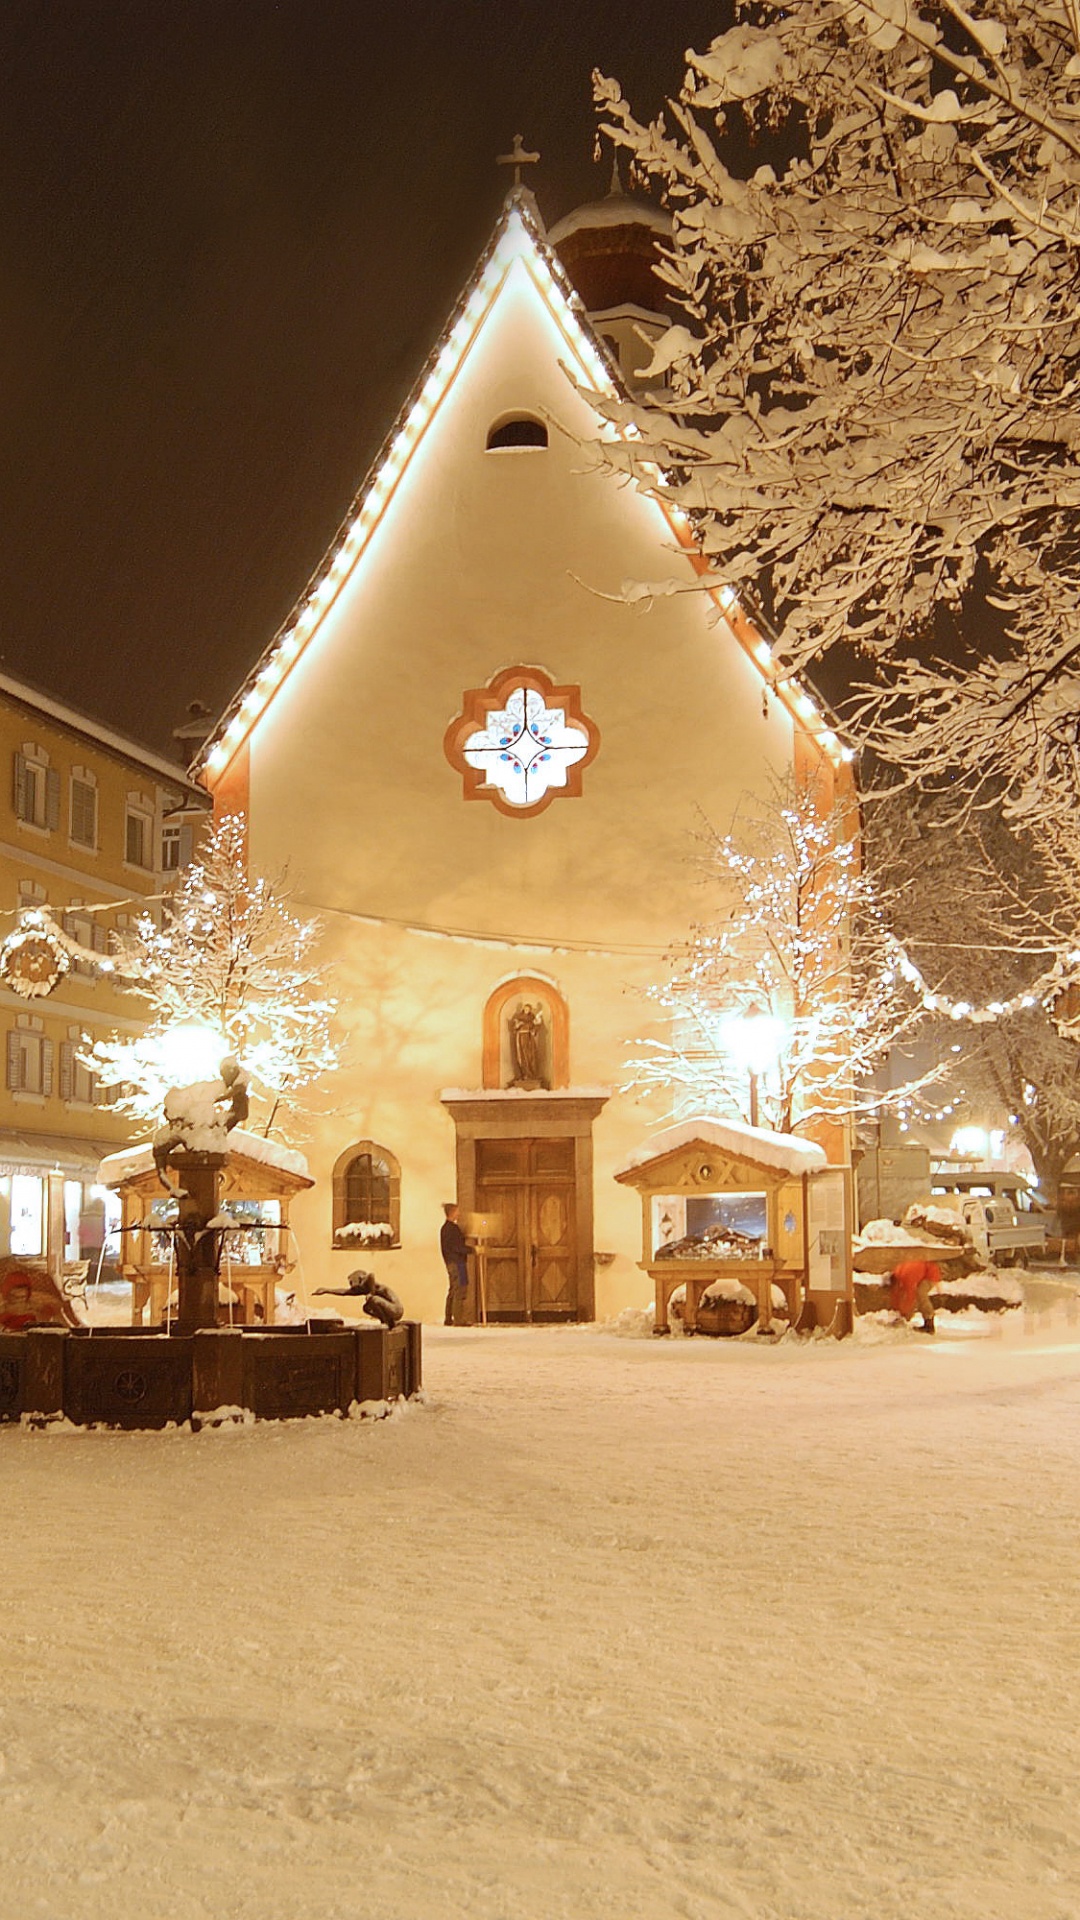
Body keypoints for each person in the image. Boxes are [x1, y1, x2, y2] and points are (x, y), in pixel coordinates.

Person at [889, 1257, 941, 1333]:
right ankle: (926, 1321)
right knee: (914, 1293)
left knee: (920, 1293)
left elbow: (911, 1295)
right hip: (920, 1269)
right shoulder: (899, 1272)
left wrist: (905, 1316)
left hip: (930, 1274)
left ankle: (929, 1323)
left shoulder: (907, 1276)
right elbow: (897, 1295)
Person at [440, 1203, 470, 1325]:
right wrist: (473, 1250)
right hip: (458, 1263)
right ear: (452, 1212)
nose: (459, 1213)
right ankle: (458, 1319)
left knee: (453, 1289)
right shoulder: (452, 1229)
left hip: (452, 1262)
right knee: (460, 1289)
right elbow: (457, 1247)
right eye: (457, 1211)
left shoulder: (446, 1228)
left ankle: (448, 1318)